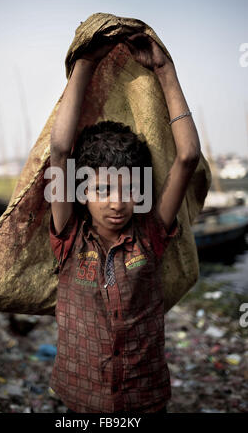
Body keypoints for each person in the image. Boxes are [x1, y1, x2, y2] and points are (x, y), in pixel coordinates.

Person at [48, 33, 201, 413]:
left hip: (144, 399)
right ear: (81, 191)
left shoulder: (150, 234)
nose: (117, 203)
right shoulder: (68, 237)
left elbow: (188, 157)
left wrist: (165, 70)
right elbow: (61, 151)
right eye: (102, 190)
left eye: (129, 189)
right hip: (81, 402)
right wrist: (85, 64)